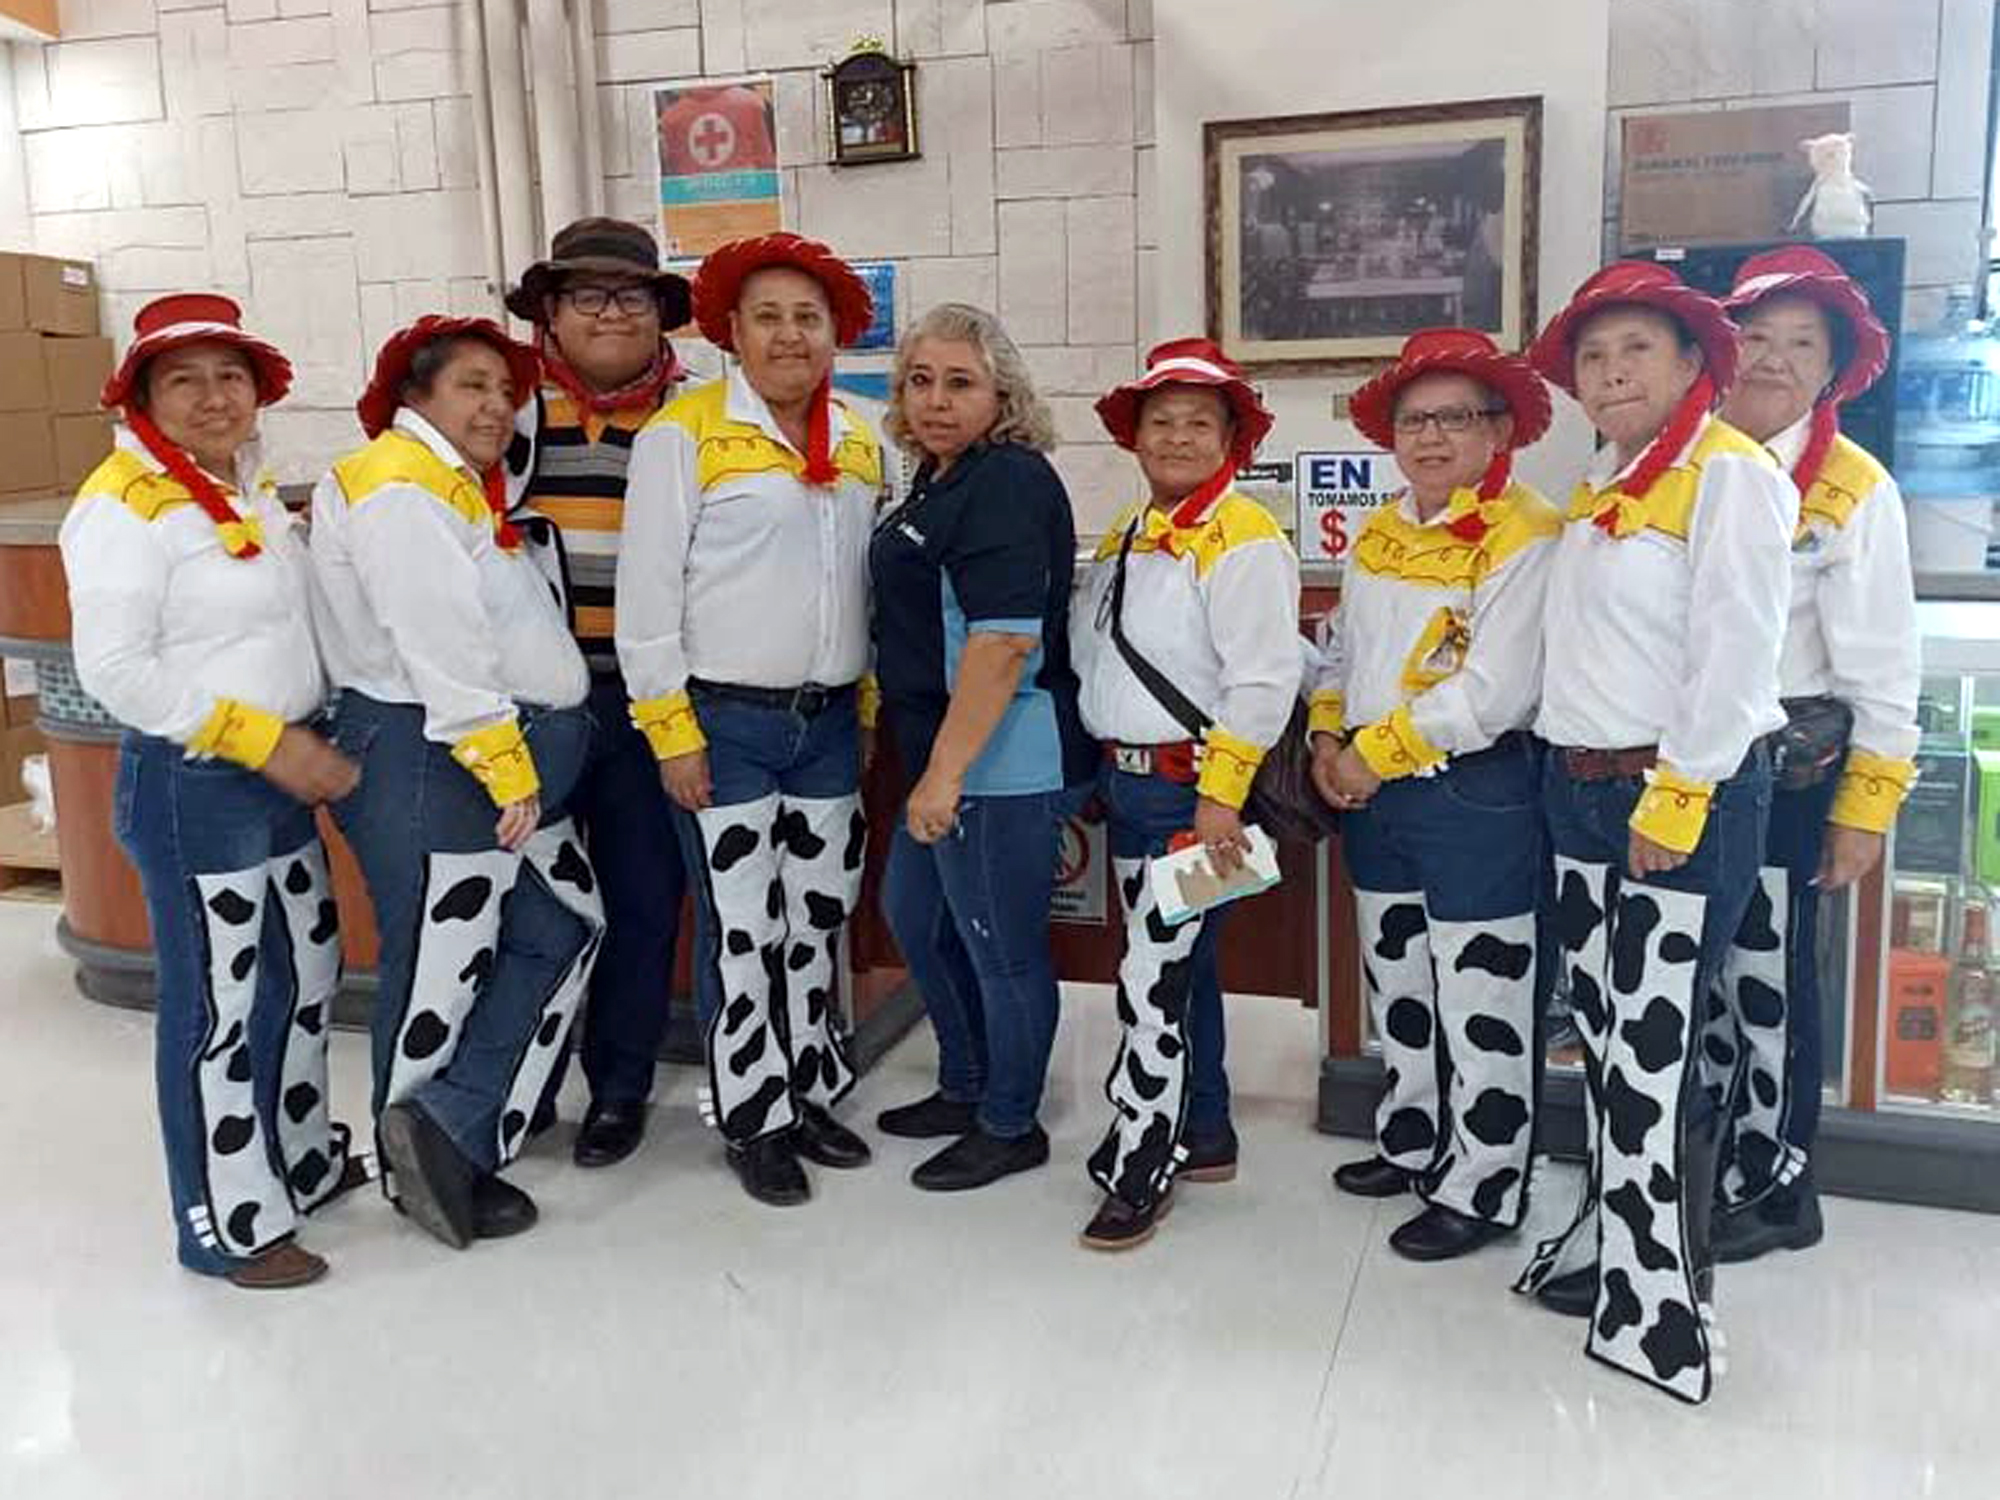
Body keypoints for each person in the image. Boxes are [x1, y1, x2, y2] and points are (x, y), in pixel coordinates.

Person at [1513, 262, 1796, 1405]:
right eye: (1592, 354)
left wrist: (1674, 801)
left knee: (1657, 1060)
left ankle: (1662, 1303)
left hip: (1672, 802)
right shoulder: (1602, 477)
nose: (1610, 371)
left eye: (1636, 348)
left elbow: (1734, 657)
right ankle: (1606, 1245)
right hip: (1576, 797)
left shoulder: (1727, 476)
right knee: (1603, 1043)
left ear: (1690, 363)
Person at [62, 294, 364, 1289]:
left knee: (306, 976)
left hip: (279, 782)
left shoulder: (244, 487)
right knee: (219, 1010)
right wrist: (263, 740)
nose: (211, 397)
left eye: (228, 376)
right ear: (142, 394)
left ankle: (299, 1161)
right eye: (182, 379)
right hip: (200, 789)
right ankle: (224, 1223)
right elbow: (114, 667)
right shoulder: (122, 506)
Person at [310, 316, 605, 1250]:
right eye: (473, 386)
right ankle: (420, 1171)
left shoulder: (449, 485)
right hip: (434, 753)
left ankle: (449, 1127)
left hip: (471, 752)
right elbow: (438, 642)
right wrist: (506, 762)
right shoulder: (399, 488)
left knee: (555, 930)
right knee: (441, 957)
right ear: (415, 396)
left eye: (506, 391)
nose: (496, 406)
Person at [618, 233, 879, 1208]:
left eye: (806, 318)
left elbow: (865, 589)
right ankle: (753, 1113)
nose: (787, 335)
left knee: (816, 920)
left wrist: (863, 706)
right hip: (723, 724)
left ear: (834, 336)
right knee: (742, 930)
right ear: (730, 331)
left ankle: (811, 1088)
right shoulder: (681, 435)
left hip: (826, 726)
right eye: (766, 316)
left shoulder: (863, 435)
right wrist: (670, 733)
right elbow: (643, 604)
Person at [1308, 328, 1560, 1261]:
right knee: (1401, 980)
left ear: (1498, 429)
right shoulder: (1380, 528)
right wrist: (1330, 735)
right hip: (1375, 793)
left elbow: (1496, 693)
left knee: (1483, 993)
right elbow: (1342, 647)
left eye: (1456, 417)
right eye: (1415, 419)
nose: (1431, 437)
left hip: (1473, 792)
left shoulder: (1528, 531)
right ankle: (1413, 1138)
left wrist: (1374, 753)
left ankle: (1487, 1183)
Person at [1705, 246, 1918, 1260]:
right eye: (1754, 336)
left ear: (1832, 368)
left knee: (1767, 981)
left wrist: (1862, 808)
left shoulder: (1849, 487)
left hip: (1786, 772)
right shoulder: (1682, 457)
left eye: (1802, 344)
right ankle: (1708, 1154)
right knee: (1695, 972)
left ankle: (1777, 1181)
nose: (1773, 360)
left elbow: (1881, 665)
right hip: (1683, 764)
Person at [1070, 338, 1302, 1251]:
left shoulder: (1246, 539)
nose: (1175, 436)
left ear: (1231, 438)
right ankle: (1205, 1129)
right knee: (1178, 969)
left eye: (1197, 422)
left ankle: (1142, 1158)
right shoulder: (1133, 530)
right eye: (1159, 421)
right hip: (1127, 792)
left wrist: (1220, 801)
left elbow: (1261, 681)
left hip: (1195, 802)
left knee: (1149, 984)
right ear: (1135, 437)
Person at [869, 303, 1099, 1191]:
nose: (935, 400)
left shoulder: (1003, 479)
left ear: (1002, 389)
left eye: (959, 382)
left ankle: (1010, 1120)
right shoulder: (938, 478)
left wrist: (945, 776)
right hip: (942, 748)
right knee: (919, 920)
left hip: (1002, 756)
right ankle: (964, 1084)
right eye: (919, 381)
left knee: (1000, 945)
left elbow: (1002, 645)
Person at [501, 217, 694, 1169]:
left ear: (662, 315)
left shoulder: (704, 417)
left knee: (643, 901)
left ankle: (619, 1087)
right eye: (587, 295)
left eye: (631, 296)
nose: (610, 313)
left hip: (653, 709)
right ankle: (517, 1085)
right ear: (550, 313)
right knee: (522, 901)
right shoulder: (499, 415)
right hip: (527, 711)